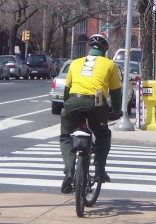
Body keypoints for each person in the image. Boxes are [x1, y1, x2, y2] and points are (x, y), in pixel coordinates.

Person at [60, 34, 122, 194]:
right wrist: (116, 110)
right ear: (104, 50)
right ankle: (100, 170)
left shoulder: (75, 63)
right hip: (97, 102)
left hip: (74, 101)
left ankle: (68, 172)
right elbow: (115, 92)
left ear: (89, 48)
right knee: (102, 134)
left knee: (66, 136)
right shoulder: (110, 64)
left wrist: (66, 107)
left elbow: (67, 90)